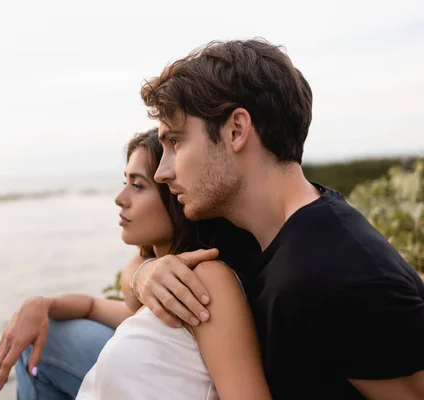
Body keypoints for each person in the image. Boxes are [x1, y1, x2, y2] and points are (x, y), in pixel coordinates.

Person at [127, 38, 424, 399]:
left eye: (176, 142)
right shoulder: (248, 231)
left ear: (236, 130)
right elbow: (138, 271)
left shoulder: (339, 274)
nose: (162, 172)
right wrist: (147, 273)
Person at [0, 128, 269, 399]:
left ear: (175, 194)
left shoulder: (203, 283)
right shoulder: (162, 284)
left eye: (137, 185)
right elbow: (94, 307)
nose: (120, 199)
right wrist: (42, 304)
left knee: (35, 353)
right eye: (125, 182)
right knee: (38, 340)